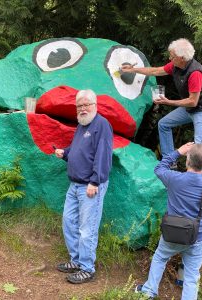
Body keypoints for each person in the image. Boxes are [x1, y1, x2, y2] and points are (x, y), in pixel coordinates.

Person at [134, 142, 202, 300]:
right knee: (191, 276)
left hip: (173, 232)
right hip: (197, 236)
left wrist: (178, 151)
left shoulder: (174, 178)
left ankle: (149, 291)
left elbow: (159, 168)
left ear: (187, 160)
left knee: (160, 257)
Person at [54, 89, 113, 284]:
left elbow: (103, 155)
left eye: (86, 104)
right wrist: (66, 153)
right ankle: (77, 260)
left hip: (90, 186)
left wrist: (95, 181)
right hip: (75, 185)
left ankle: (87, 268)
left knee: (87, 229)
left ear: (95, 105)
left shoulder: (101, 125)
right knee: (69, 222)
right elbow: (79, 150)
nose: (82, 108)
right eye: (79, 105)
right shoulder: (82, 125)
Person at [121, 38, 202, 157]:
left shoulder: (195, 73)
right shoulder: (175, 65)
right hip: (189, 108)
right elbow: (156, 71)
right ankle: (169, 161)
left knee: (200, 148)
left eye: (172, 56)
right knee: (164, 124)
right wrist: (132, 70)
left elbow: (192, 101)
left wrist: (168, 102)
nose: (170, 58)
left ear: (182, 58)